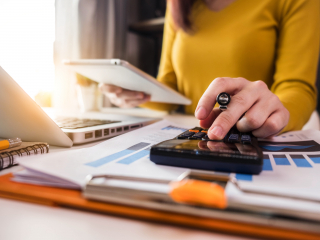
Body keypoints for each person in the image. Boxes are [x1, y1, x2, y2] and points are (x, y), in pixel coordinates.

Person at [100, 0, 320, 140]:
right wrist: (137, 93)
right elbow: (171, 88)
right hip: (191, 134)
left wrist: (277, 112)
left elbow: (297, 86)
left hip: (248, 134)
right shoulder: (178, 4)